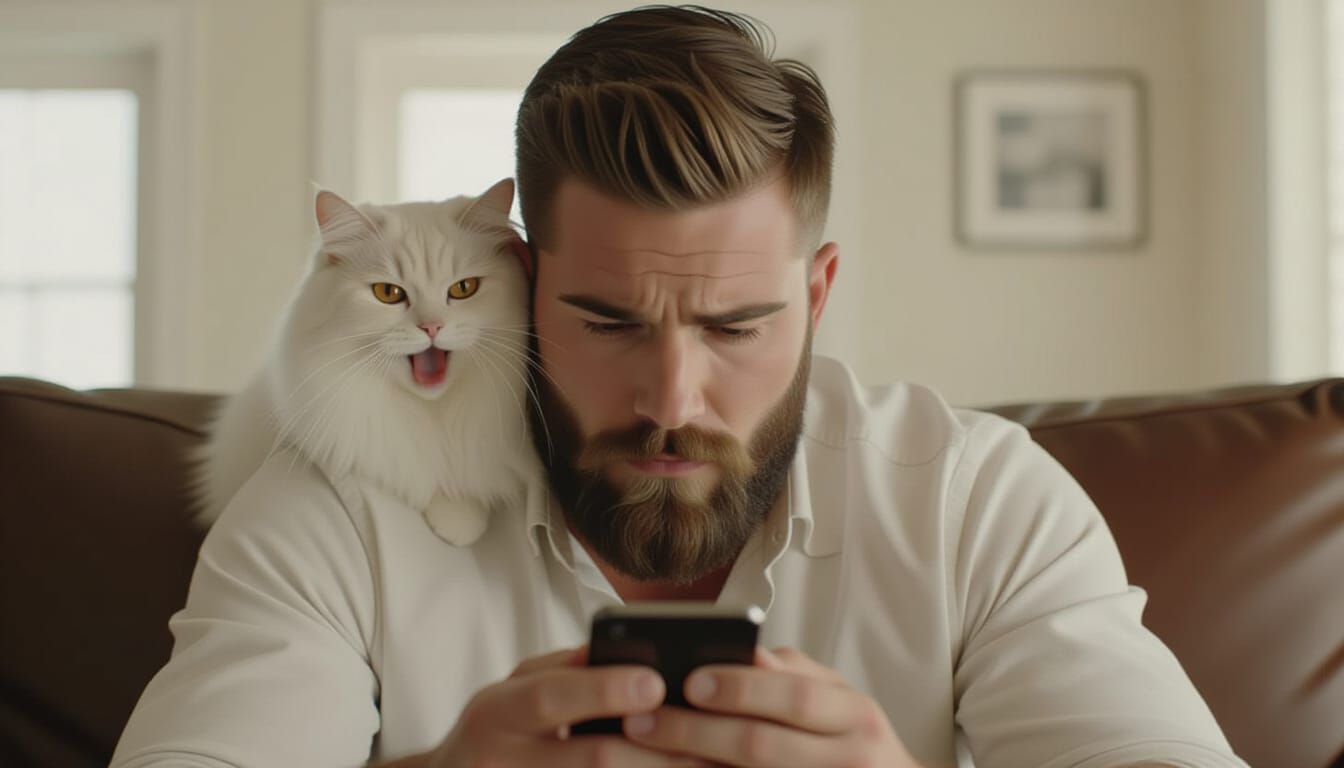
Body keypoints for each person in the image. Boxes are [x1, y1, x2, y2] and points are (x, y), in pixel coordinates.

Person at [112, 6, 1248, 767]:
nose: (671, 395)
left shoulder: (979, 502)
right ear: (520, 279)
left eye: (737, 323)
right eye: (606, 320)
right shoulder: (337, 503)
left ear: (819, 291)